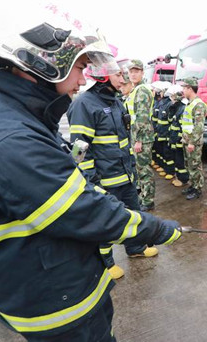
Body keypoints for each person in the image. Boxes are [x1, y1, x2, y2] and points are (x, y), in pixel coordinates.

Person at [0, 10, 181, 342]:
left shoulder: (20, 121)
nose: (82, 80)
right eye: (80, 68)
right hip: (56, 308)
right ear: (43, 67)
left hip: (63, 285)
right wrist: (155, 228)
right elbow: (83, 211)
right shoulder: (10, 140)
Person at [67, 60, 158, 281]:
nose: (123, 78)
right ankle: (105, 263)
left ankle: (135, 248)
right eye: (118, 74)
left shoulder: (116, 102)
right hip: (104, 180)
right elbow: (79, 148)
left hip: (125, 176)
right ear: (102, 75)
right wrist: (91, 181)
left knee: (133, 214)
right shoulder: (85, 104)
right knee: (105, 223)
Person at [125, 60, 156, 211]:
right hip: (137, 134)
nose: (133, 74)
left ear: (143, 73)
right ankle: (144, 195)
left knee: (144, 169)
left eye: (136, 71)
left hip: (142, 137)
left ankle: (148, 200)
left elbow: (142, 117)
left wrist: (138, 140)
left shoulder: (142, 90)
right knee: (139, 169)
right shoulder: (135, 90)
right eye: (131, 71)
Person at [180, 77, 207, 200]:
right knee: (189, 165)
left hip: (193, 142)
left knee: (195, 165)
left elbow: (199, 126)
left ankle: (198, 189)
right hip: (186, 140)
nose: (183, 91)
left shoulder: (199, 104)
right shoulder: (189, 104)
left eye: (184, 88)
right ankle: (193, 185)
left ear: (190, 89)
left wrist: (192, 142)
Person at [167, 87, 189, 187]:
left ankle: (183, 179)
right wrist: (171, 109)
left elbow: (182, 127)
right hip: (174, 138)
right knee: (176, 159)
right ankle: (179, 177)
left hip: (179, 140)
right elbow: (171, 120)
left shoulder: (183, 108)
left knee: (180, 161)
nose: (172, 100)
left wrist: (178, 140)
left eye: (173, 98)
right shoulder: (176, 108)